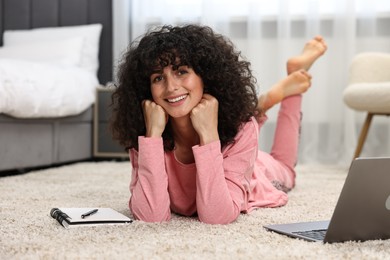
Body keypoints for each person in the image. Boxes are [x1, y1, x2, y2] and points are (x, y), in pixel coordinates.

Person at [110, 25, 327, 224]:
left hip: (250, 170)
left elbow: (217, 216)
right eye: (158, 78)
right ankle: (262, 104)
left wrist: (209, 134)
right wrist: (153, 137)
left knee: (286, 168)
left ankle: (293, 84)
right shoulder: (147, 131)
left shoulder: (241, 127)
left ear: (206, 76)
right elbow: (150, 217)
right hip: (228, 149)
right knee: (245, 125)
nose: (171, 87)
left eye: (181, 71)